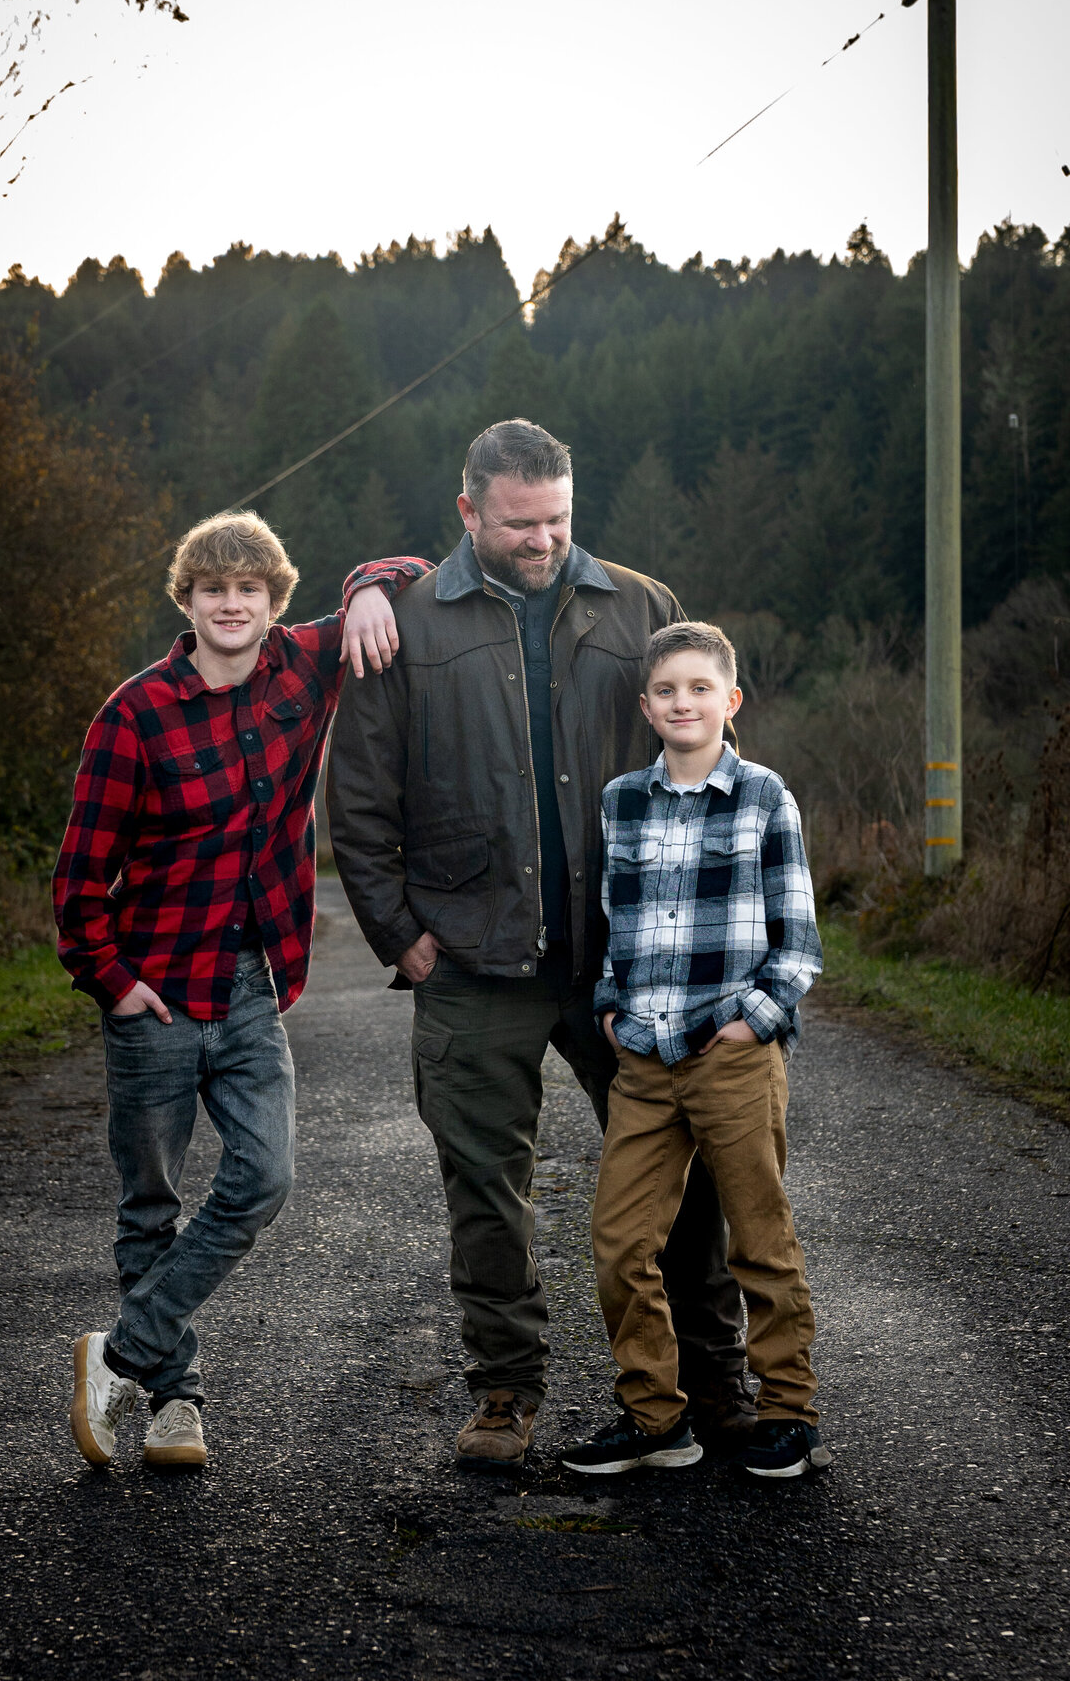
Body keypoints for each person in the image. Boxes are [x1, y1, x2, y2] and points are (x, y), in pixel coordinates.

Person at [327, 419, 752, 1472]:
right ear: (468, 511)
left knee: (686, 1180)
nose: (544, 540)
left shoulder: (643, 607)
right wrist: (402, 937)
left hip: (628, 965)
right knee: (486, 1191)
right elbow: (360, 799)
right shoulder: (409, 624)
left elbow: (707, 757)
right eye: (520, 523)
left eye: (559, 518)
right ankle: (506, 1393)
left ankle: (714, 1386)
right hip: (471, 958)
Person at [53, 510, 430, 1468]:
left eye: (250, 590)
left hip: (252, 977)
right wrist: (114, 982)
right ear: (187, 600)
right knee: (151, 1204)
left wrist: (371, 587)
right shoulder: (134, 714)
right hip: (156, 992)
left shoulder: (303, 669)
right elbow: (78, 876)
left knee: (265, 1177)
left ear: (274, 603)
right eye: (214, 589)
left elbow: (411, 565)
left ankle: (125, 1354)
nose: (232, 604)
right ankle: (175, 1405)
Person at [560, 620, 830, 1480]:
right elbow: (613, 926)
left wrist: (754, 1018)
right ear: (647, 707)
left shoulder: (762, 797)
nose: (684, 703)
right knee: (619, 1239)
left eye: (700, 689)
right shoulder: (621, 801)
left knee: (759, 1237)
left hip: (732, 1056)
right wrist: (609, 1006)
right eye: (668, 691)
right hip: (642, 1056)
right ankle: (654, 1419)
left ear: (730, 702)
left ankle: (787, 1413)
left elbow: (798, 944)